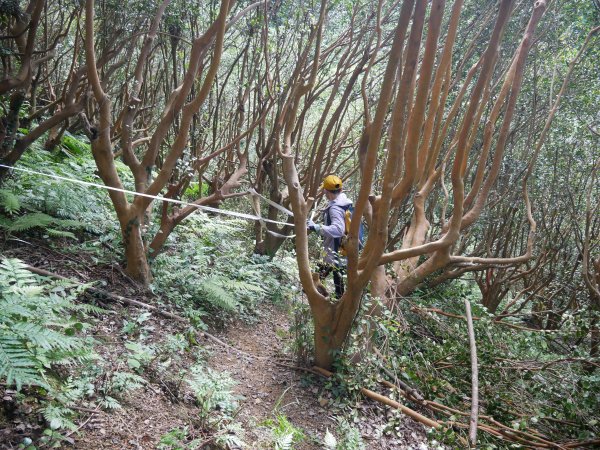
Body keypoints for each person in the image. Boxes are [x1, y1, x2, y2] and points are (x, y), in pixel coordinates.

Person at [307, 174, 352, 298]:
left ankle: (322, 303)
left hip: (334, 250)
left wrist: (316, 227)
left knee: (314, 281)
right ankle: (335, 303)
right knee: (338, 281)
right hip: (345, 249)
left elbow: (338, 229)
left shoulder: (335, 208)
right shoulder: (345, 203)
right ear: (341, 190)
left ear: (326, 191)